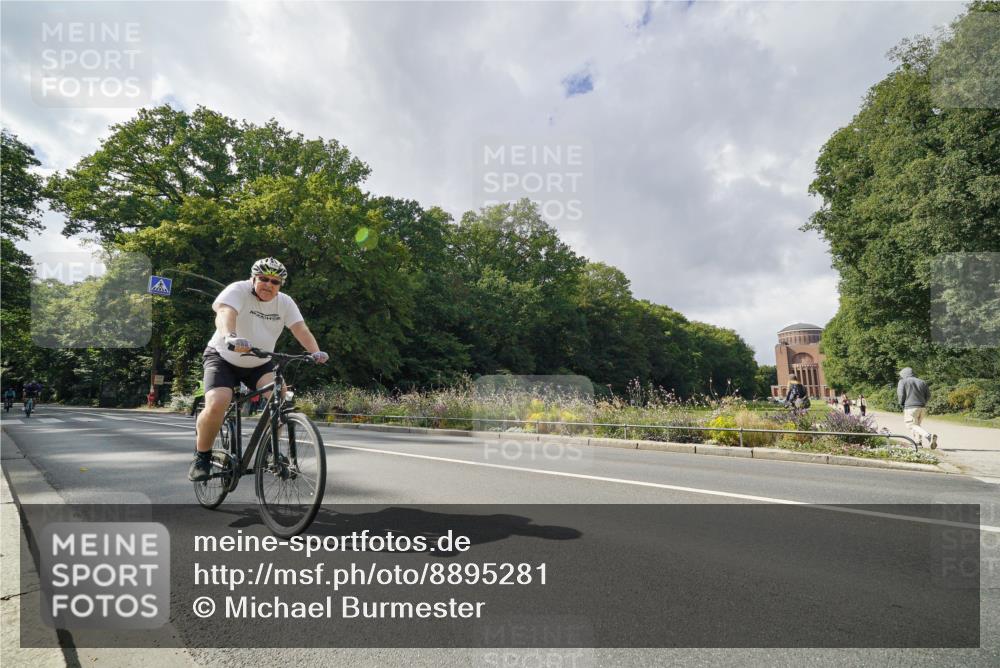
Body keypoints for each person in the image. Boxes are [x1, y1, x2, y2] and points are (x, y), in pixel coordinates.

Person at [189, 257, 329, 481]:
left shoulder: (284, 302)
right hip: (223, 356)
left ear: (280, 285)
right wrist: (230, 336)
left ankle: (270, 451)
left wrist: (316, 351)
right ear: (253, 278)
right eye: (263, 279)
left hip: (259, 361)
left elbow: (300, 328)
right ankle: (202, 457)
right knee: (217, 402)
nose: (269, 285)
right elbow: (225, 313)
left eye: (275, 282)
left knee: (280, 397)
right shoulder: (238, 290)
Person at [897, 367, 937, 449]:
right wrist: (923, 402)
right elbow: (928, 395)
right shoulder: (922, 382)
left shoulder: (903, 382)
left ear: (904, 374)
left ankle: (929, 436)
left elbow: (901, 394)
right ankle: (918, 443)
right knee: (917, 425)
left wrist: (901, 403)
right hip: (922, 407)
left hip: (910, 407)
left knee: (911, 425)